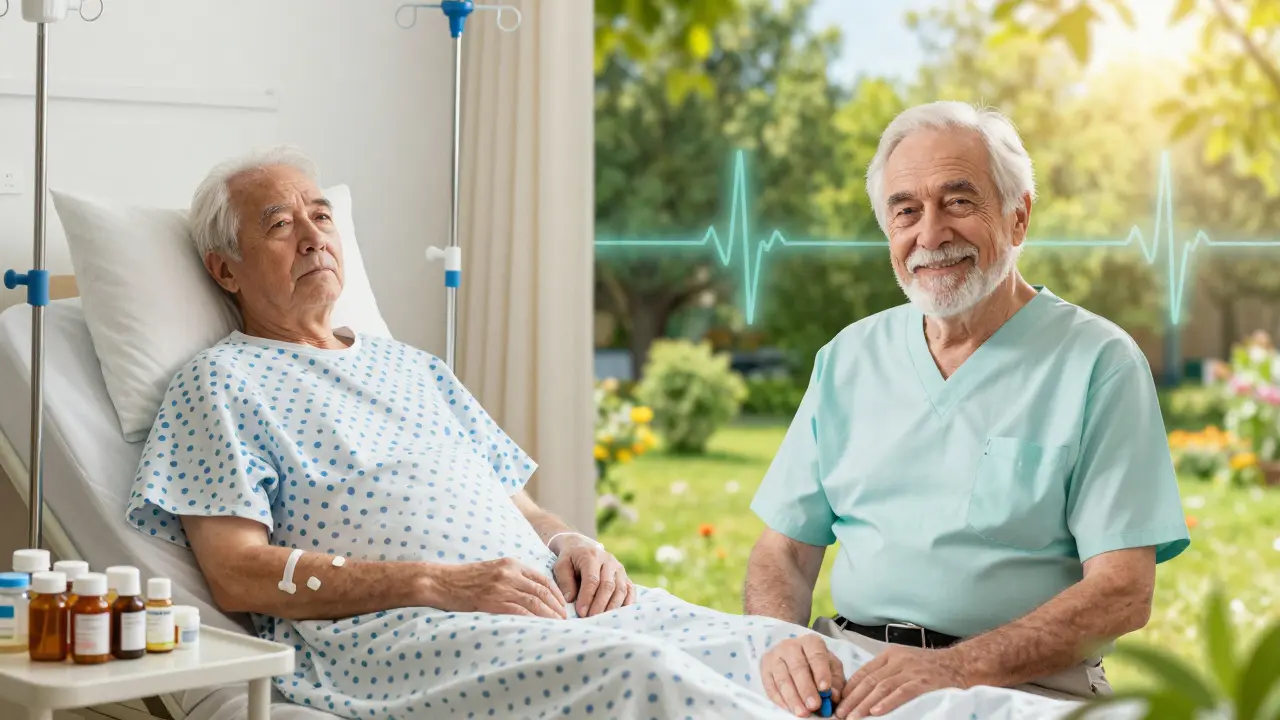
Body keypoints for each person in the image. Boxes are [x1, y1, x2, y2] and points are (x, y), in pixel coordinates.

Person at [124, 147, 898, 720]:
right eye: (279, 224)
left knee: (787, 656)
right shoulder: (221, 382)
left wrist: (573, 546)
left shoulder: (414, 366)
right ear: (225, 272)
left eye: (320, 216)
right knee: (643, 674)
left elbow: (523, 510)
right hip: (403, 636)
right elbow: (237, 573)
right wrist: (439, 583)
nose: (314, 236)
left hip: (548, 606)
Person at [744, 101, 1190, 719]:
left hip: (1022, 689)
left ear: (1018, 217)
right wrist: (784, 640)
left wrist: (954, 669)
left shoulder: (1099, 362)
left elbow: (1122, 593)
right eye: (906, 210)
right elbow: (783, 553)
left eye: (958, 202)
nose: (930, 235)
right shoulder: (848, 358)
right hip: (849, 676)